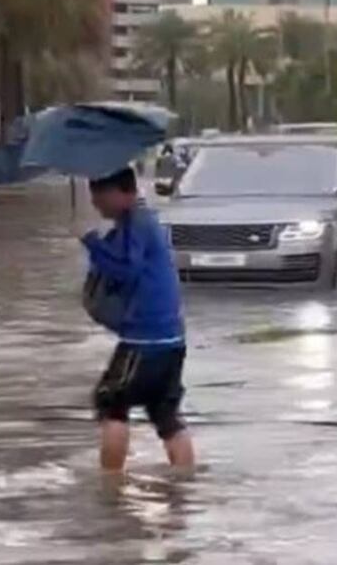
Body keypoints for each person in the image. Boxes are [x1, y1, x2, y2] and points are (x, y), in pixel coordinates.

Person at [77, 166, 195, 472]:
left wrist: (92, 243)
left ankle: (110, 485)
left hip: (145, 339)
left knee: (111, 403)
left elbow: (125, 269)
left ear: (120, 193)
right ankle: (184, 482)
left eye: (99, 195)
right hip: (171, 338)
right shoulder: (141, 222)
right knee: (165, 414)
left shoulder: (137, 223)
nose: (95, 203)